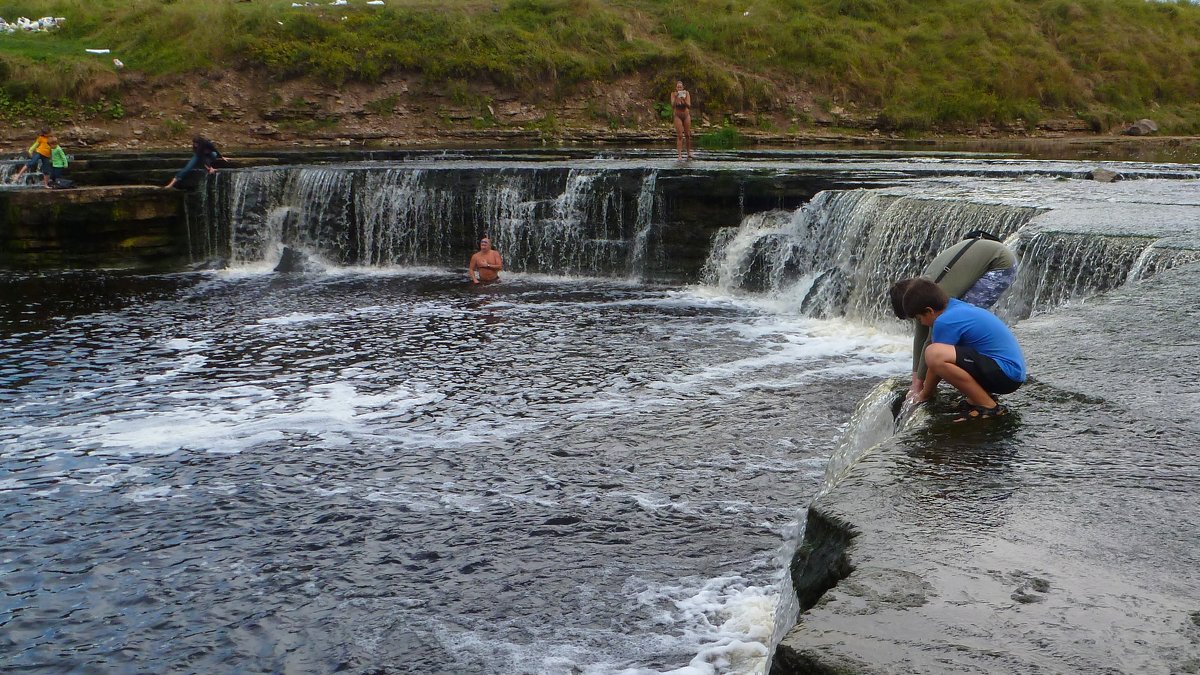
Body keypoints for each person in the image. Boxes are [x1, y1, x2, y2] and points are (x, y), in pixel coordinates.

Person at [889, 231, 1017, 400]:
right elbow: (919, 336)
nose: (917, 321)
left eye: (916, 317)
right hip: (987, 255)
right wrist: (915, 381)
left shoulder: (940, 295)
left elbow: (930, 340)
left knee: (957, 325)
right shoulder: (923, 290)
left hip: (1001, 264)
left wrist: (922, 387)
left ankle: (980, 381)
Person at [900, 278, 1026, 420]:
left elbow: (935, 366)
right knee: (947, 353)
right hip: (1010, 372)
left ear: (929, 311)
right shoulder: (955, 306)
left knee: (933, 353)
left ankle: (988, 406)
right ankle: (978, 397)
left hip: (1005, 374)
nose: (921, 323)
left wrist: (924, 394)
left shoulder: (944, 321)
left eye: (919, 318)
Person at [670, 81, 693, 161]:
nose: (679, 88)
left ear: (683, 87)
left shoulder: (686, 93)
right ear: (676, 88)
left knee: (687, 135)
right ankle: (679, 155)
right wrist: (676, 98)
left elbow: (689, 105)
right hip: (677, 115)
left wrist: (684, 100)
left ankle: (689, 152)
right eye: (678, 87)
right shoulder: (673, 94)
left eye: (680, 87)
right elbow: (672, 105)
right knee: (680, 135)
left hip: (686, 115)